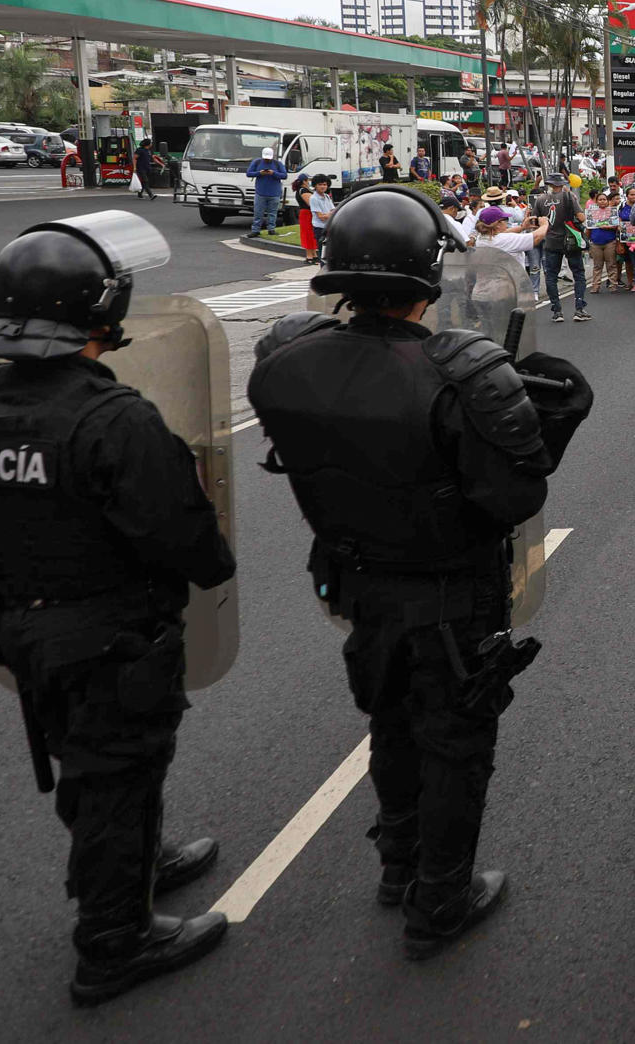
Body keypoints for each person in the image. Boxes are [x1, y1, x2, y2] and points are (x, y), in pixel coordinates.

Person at [248, 186, 592, 960]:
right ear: (428, 271)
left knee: (390, 725)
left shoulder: (281, 365)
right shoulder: (458, 372)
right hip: (449, 590)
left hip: (355, 580)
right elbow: (514, 496)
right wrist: (544, 420)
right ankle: (441, 898)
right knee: (455, 743)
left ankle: (397, 864)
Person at [0, 212, 237, 1007]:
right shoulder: (114, 420)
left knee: (89, 761)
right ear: (99, 310)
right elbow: (186, 539)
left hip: (25, 628)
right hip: (109, 632)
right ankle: (113, 941)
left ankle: (139, 862)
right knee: (116, 773)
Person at [541, 177, 590, 323]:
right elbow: (581, 218)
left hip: (550, 241)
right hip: (570, 241)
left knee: (551, 276)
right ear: (562, 184)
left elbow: (537, 220)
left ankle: (557, 311)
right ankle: (579, 309)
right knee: (579, 274)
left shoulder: (540, 199)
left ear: (549, 184)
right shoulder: (568, 196)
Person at [472, 204, 548, 271]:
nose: (507, 222)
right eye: (505, 219)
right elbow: (536, 238)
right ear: (497, 224)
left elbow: (502, 233)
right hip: (511, 283)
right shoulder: (504, 240)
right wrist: (544, 224)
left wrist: (522, 227)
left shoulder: (481, 238)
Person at [244, 145, 289, 238]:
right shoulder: (257, 162)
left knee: (273, 213)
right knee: (258, 213)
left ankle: (271, 229)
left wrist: (273, 173)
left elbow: (284, 175)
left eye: (268, 158)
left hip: (274, 193)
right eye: (265, 158)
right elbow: (248, 173)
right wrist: (259, 173)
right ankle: (256, 230)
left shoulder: (278, 164)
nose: (267, 160)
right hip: (260, 192)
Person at [583, 187, 621, 294]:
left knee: (611, 264)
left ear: (607, 201)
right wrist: (587, 237)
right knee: (597, 265)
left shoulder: (612, 212)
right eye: (600, 200)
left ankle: (613, 284)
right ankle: (595, 286)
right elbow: (588, 230)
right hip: (595, 243)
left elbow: (617, 226)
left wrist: (609, 227)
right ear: (596, 201)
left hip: (610, 242)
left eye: (604, 199)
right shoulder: (591, 213)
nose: (602, 201)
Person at [307, 175, 337, 260]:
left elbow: (333, 210)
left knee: (330, 252)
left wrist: (329, 214)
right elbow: (321, 217)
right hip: (320, 229)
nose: (323, 187)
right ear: (315, 185)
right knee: (323, 253)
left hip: (329, 227)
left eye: (324, 184)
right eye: (320, 184)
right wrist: (330, 214)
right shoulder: (314, 198)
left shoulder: (327, 196)